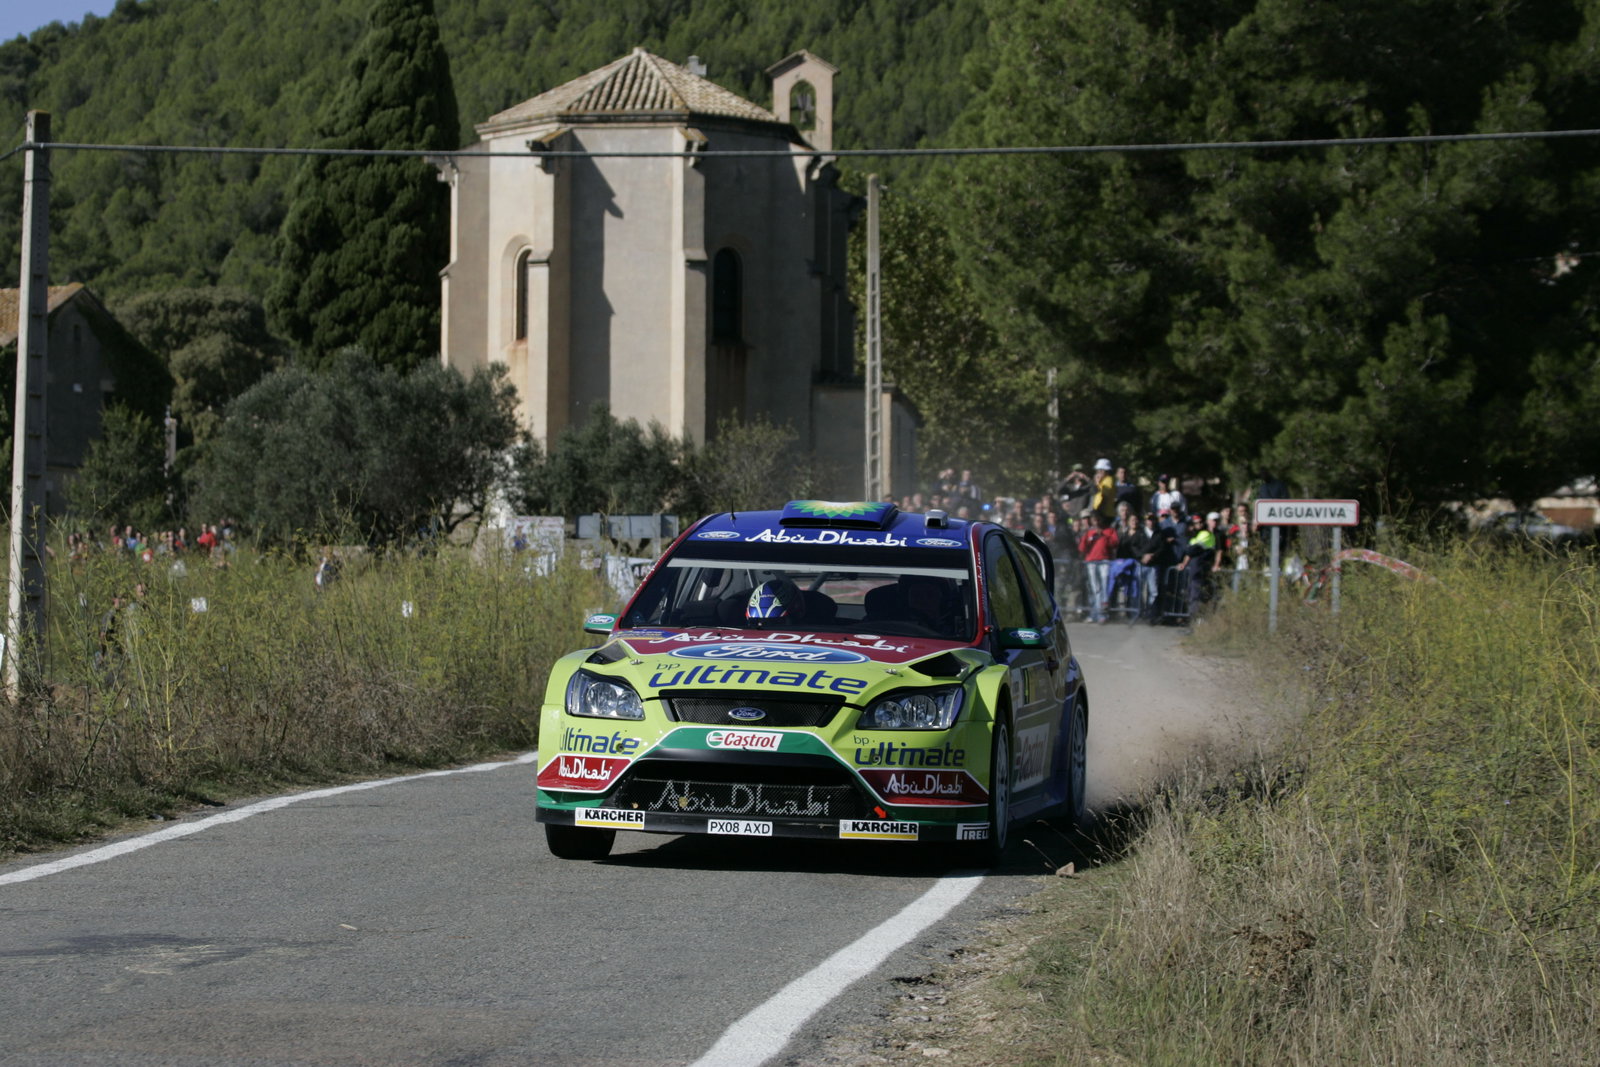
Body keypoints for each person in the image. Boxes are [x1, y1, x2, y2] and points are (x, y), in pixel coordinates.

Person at [1077, 514, 1119, 624]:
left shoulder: (1109, 531)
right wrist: (1087, 537)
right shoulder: (1088, 532)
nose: (1096, 522)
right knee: (1095, 588)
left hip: (1104, 561)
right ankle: (1095, 613)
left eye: (1098, 520)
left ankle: (1103, 613)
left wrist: (1104, 535)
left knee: (1104, 585)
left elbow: (1114, 543)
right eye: (1094, 520)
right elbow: (1082, 548)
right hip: (1091, 562)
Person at [1091, 458, 1117, 524]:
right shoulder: (1102, 481)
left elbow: (1104, 495)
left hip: (1105, 513)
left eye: (1099, 471)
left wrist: (1097, 483)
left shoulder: (1108, 480)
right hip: (1099, 512)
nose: (1097, 473)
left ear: (1104, 471)